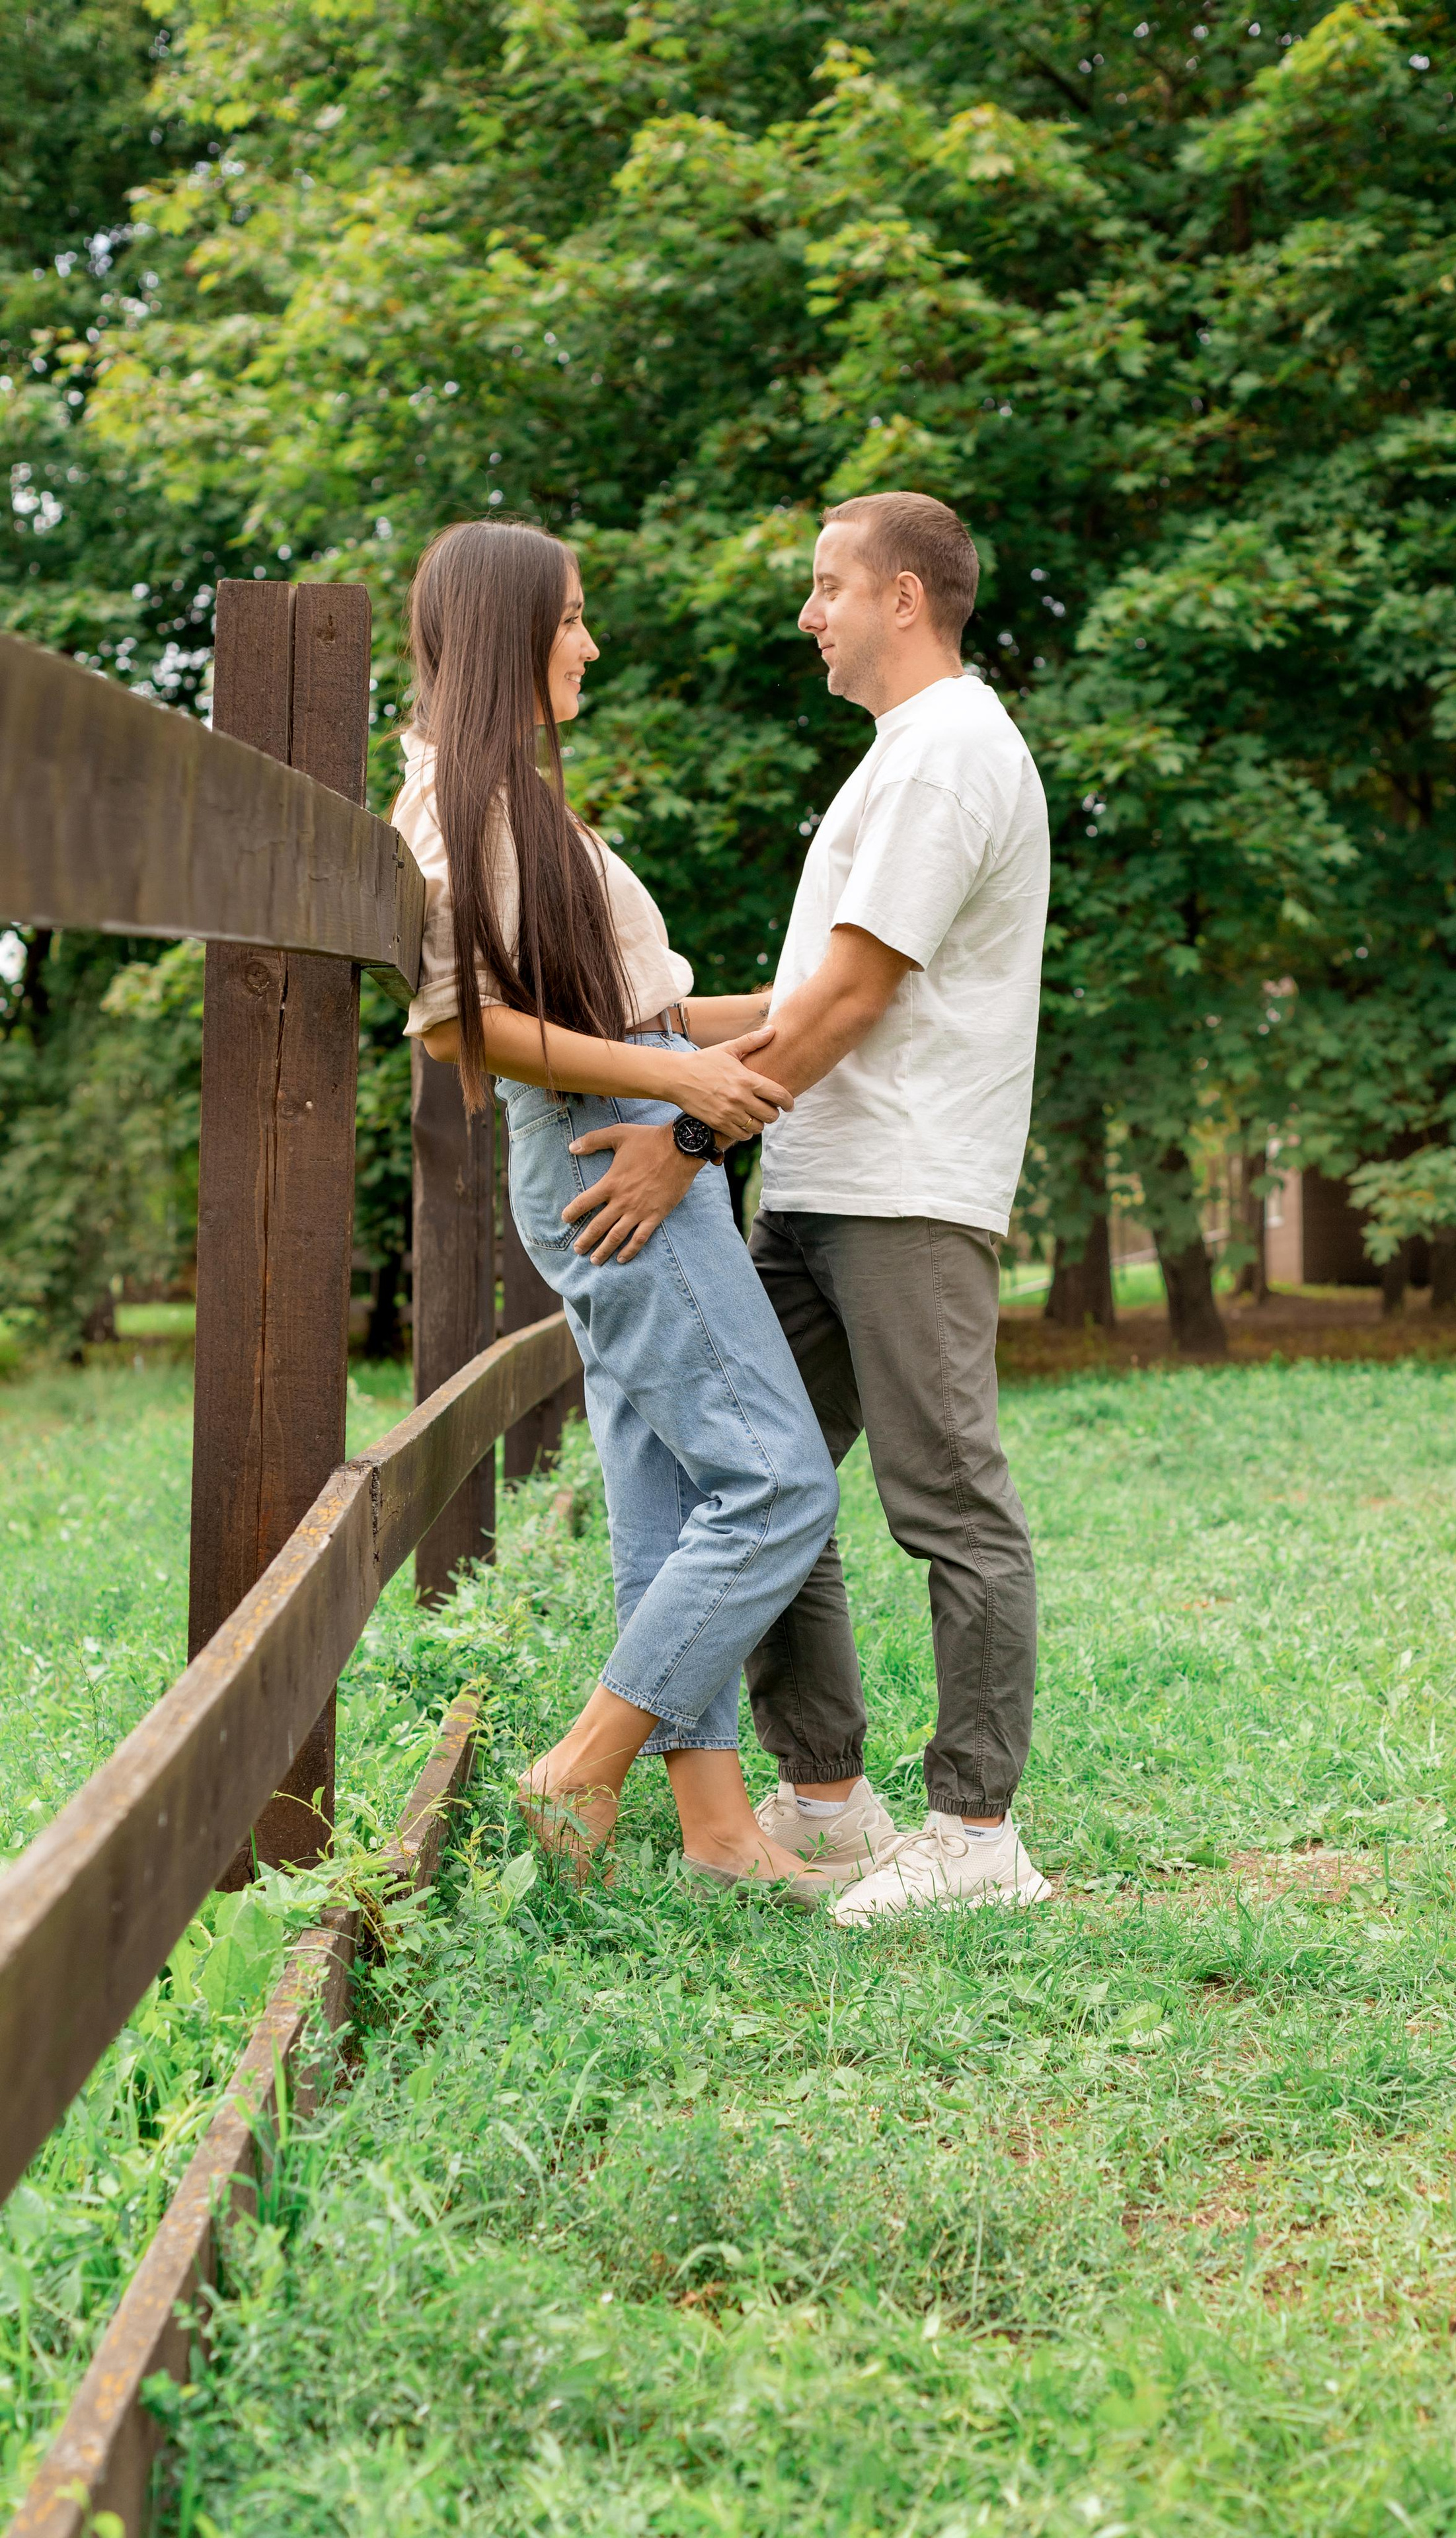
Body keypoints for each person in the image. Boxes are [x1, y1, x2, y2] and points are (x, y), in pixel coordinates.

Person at [560, 490, 1052, 1921]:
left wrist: (684, 1134)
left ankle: (975, 1835)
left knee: (945, 1498)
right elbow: (794, 1001)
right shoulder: (897, 762)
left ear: (904, 596)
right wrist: (635, 1026)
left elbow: (844, 1001)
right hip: (825, 1178)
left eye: (826, 587)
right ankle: (827, 1799)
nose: (806, 613)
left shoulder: (948, 754)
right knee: (763, 1477)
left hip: (902, 1187)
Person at [395, 514, 844, 1903]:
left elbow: (639, 1012)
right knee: (777, 1482)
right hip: (608, 1154)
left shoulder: (511, 804)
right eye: (572, 617)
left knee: (670, 1491)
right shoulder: (451, 809)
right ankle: (577, 1769)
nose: (588, 643)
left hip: (622, 1129)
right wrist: (674, 1076)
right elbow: (459, 1025)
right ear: (506, 632)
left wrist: (816, 997)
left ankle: (714, 1834)